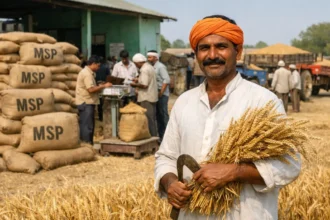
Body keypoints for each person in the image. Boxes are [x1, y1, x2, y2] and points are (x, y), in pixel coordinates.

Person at [154, 15, 301, 219]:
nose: (212, 55)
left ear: (238, 52)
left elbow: (290, 164)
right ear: (196, 54)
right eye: (204, 48)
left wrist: (234, 172)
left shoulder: (263, 101)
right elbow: (166, 156)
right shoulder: (184, 102)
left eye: (221, 46)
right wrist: (169, 183)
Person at [76, 55, 112, 144]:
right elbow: (91, 89)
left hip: (87, 102)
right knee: (87, 126)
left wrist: (99, 85)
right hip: (85, 102)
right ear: (93, 64)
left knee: (89, 125)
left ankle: (88, 144)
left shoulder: (89, 73)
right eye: (98, 65)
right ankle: (86, 145)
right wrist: (104, 86)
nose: (98, 67)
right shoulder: (87, 74)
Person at [131, 53, 158, 137]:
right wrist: (138, 79)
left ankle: (153, 138)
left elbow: (144, 85)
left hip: (146, 97)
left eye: (136, 64)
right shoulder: (149, 66)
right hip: (152, 96)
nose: (136, 66)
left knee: (148, 119)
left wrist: (134, 85)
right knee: (152, 119)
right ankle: (153, 137)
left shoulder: (144, 69)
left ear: (138, 63)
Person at [147, 50, 170, 143]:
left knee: (163, 116)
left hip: (162, 94)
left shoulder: (160, 67)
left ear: (156, 57)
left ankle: (167, 137)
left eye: (150, 57)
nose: (148, 59)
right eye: (148, 57)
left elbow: (167, 80)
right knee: (158, 116)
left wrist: (161, 92)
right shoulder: (151, 67)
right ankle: (160, 137)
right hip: (155, 93)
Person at [95, 57, 111, 121]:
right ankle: (105, 116)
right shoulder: (106, 67)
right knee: (105, 102)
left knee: (99, 102)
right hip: (105, 85)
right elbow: (109, 76)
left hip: (97, 85)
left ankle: (100, 117)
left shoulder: (96, 68)